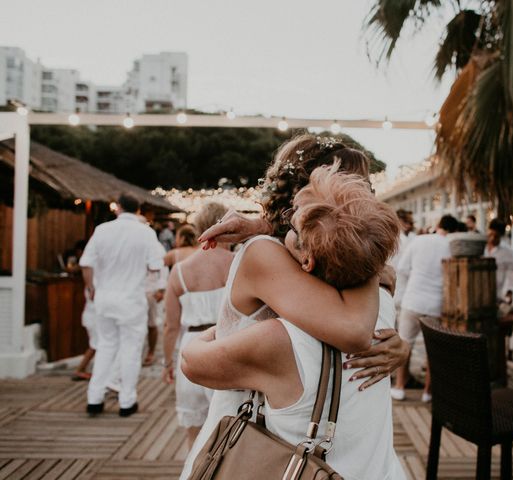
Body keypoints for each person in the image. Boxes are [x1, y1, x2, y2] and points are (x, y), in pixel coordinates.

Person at [181, 134, 409, 479]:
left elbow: (354, 325)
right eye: (354, 187)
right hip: (262, 445)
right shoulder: (279, 256)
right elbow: (355, 328)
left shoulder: (355, 274)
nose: (365, 199)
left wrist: (401, 346)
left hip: (320, 450)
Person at [79, 194, 164, 417]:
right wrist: (152, 286)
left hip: (105, 298)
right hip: (131, 299)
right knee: (131, 350)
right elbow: (157, 266)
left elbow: (86, 263)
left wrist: (91, 289)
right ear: (137, 211)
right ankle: (127, 402)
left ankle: (94, 399)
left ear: (117, 208)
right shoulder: (145, 233)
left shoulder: (102, 230)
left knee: (106, 347)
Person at [162, 202, 234, 449]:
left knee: (194, 435)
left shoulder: (179, 271)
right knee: (228, 434)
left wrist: (168, 363)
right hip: (228, 347)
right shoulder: (237, 262)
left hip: (190, 351)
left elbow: (170, 326)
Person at [390, 214, 458, 402]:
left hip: (413, 300)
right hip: (437, 303)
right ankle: (428, 393)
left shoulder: (419, 241)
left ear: (437, 225)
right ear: (454, 231)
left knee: (405, 343)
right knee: (432, 349)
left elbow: (402, 268)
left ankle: (399, 387)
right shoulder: (452, 247)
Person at [484, 218, 513, 304]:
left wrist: (509, 291)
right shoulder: (481, 247)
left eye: (496, 236)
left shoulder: (507, 252)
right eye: (490, 234)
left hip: (498, 294)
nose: (492, 238)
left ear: (501, 236)